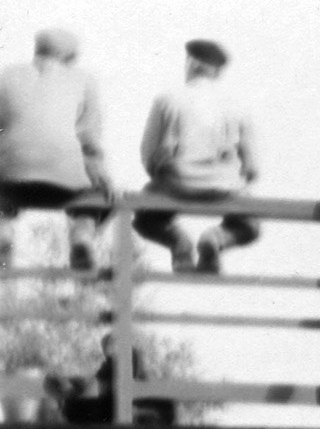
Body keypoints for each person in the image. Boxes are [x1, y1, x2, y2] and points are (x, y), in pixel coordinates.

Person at [133, 39, 262, 273]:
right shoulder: (238, 104)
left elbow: (148, 154)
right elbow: (252, 168)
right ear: (218, 72)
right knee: (250, 224)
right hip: (224, 186)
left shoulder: (166, 99)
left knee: (144, 219)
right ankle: (215, 239)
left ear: (191, 64)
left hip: (175, 182)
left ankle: (179, 244)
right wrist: (235, 178)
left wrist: (163, 173)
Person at [0, 29, 112, 273]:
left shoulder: (8, 75)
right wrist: (103, 178)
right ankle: (82, 233)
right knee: (104, 195)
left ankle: (3, 228)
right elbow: (89, 140)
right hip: (65, 182)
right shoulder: (84, 80)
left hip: (12, 180)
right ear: (68, 56)